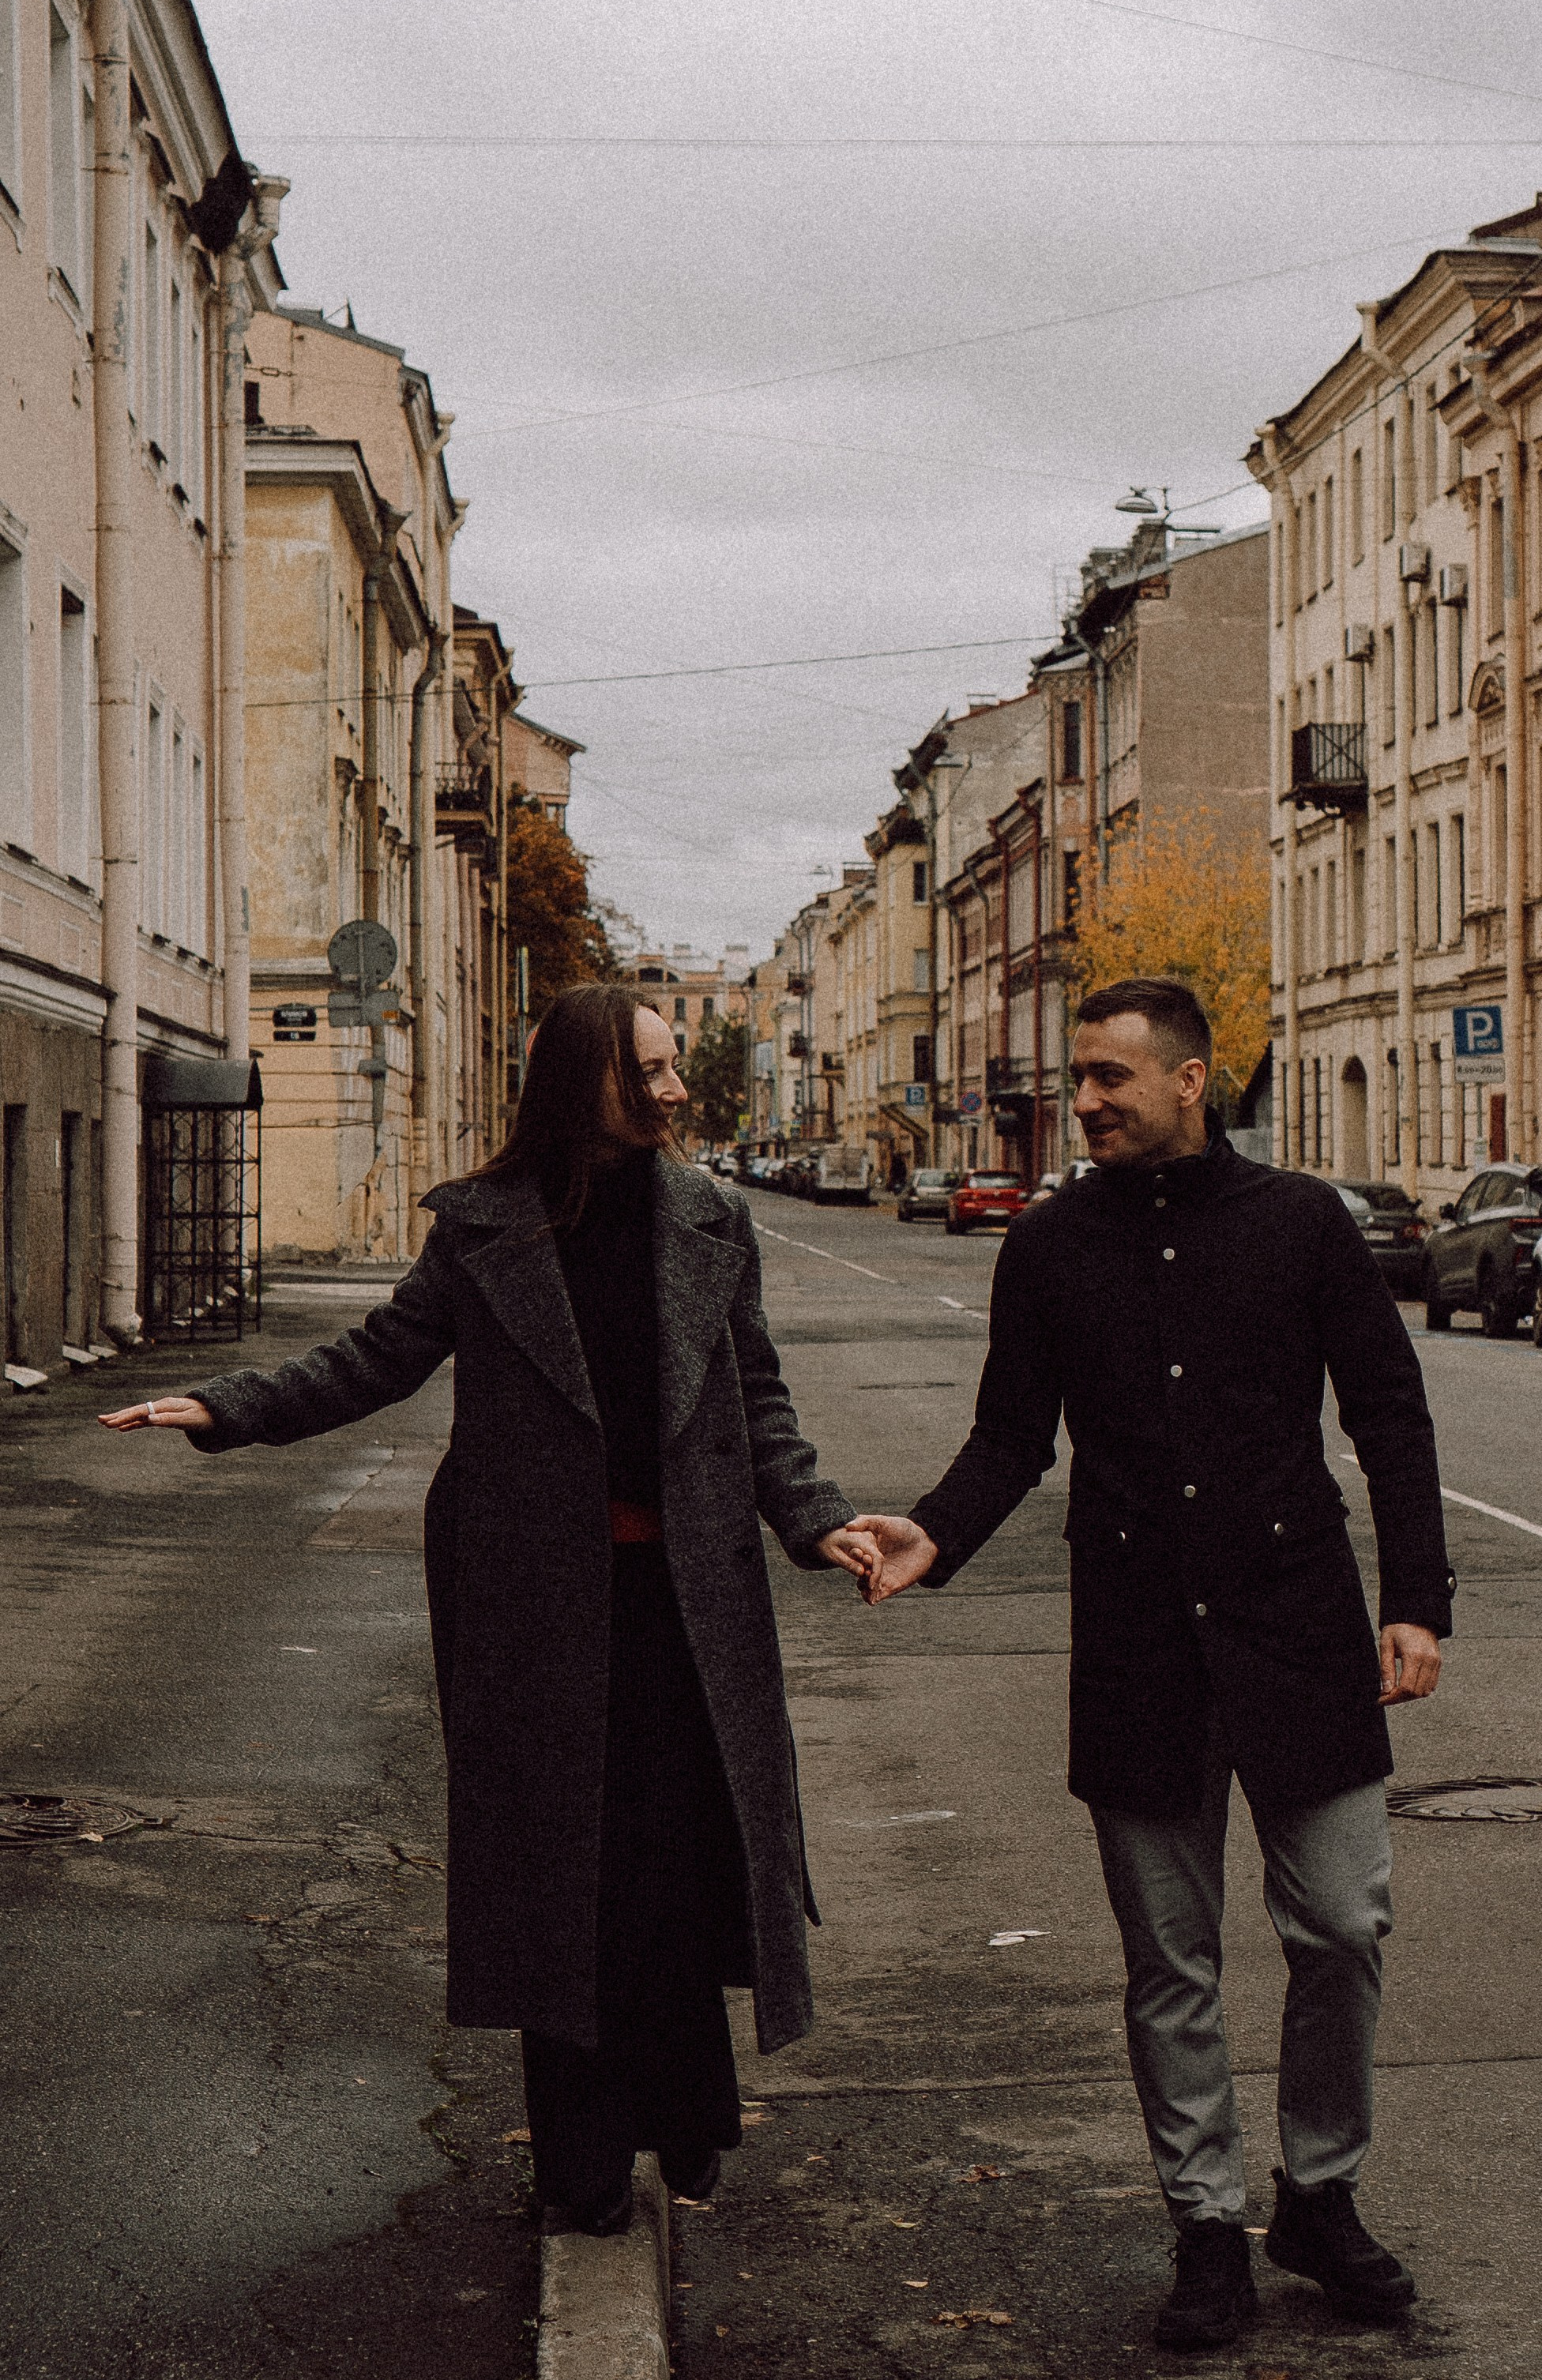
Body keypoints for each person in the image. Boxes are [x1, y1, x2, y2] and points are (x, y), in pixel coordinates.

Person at [103, 983, 878, 2235]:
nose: (676, 1088)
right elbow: (377, 1356)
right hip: (533, 1613)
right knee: (560, 1884)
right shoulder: (484, 1226)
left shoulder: (709, 1216)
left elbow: (757, 1399)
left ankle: (684, 2113)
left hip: (684, 1612)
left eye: (673, 1066)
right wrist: (228, 1406)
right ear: (583, 1081)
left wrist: (817, 1517)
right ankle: (581, 2158)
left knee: (674, 1867)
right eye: (651, 1069)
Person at [853, 977, 1454, 2354]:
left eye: (1109, 1077)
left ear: (1189, 1080)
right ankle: (1204, 2223)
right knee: (1168, 1960)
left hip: (1298, 1627)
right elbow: (1012, 1435)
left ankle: (1319, 2193)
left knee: (1341, 1923)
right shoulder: (1049, 1245)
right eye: (1080, 1078)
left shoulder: (1300, 1223)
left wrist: (1417, 1601)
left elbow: (1389, 1413)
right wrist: (934, 1533)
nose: (1085, 1101)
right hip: (1135, 1642)